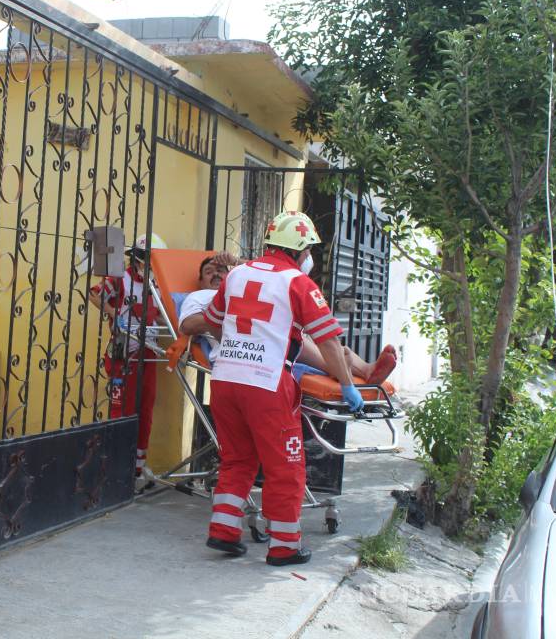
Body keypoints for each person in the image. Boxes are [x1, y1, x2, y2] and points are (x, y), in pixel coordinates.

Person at [183, 211, 363, 566]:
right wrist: (348, 386)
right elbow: (328, 341)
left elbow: (214, 322)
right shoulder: (299, 283)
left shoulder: (237, 274)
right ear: (300, 250)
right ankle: (285, 546)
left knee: (237, 458)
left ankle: (223, 531)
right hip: (266, 384)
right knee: (286, 466)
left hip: (225, 380)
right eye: (308, 249)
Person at [177, 254, 398, 383]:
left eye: (221, 270)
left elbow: (268, 270)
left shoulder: (243, 282)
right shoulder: (199, 297)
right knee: (289, 335)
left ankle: (365, 369)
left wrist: (236, 260)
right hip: (245, 347)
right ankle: (338, 368)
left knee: (303, 328)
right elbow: (187, 325)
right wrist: (229, 311)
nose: (216, 274)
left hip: (270, 333)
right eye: (208, 271)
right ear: (199, 280)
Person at [88, 233, 166, 477]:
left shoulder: (159, 284)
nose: (148, 265)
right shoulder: (119, 279)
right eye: (145, 260)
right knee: (122, 409)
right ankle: (113, 465)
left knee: (145, 410)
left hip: (150, 352)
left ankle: (138, 467)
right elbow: (94, 294)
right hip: (124, 353)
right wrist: (114, 314)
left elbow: (164, 313)